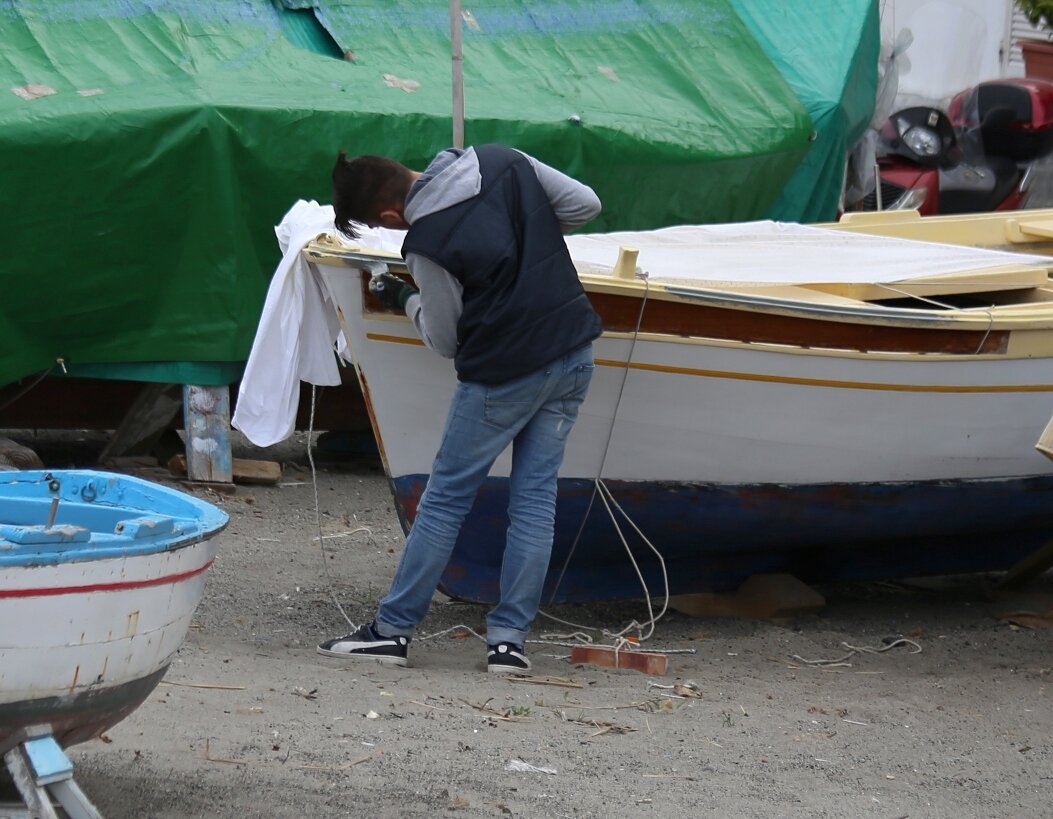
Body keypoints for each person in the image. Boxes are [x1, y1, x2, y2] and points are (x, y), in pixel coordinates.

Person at [317, 144, 602, 673]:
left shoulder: (427, 244)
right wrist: (524, 244)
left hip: (504, 374)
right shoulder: (503, 159)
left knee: (446, 499)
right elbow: (585, 205)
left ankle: (392, 631)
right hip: (573, 351)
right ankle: (509, 643)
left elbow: (446, 339)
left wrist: (402, 299)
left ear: (389, 216)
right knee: (535, 498)